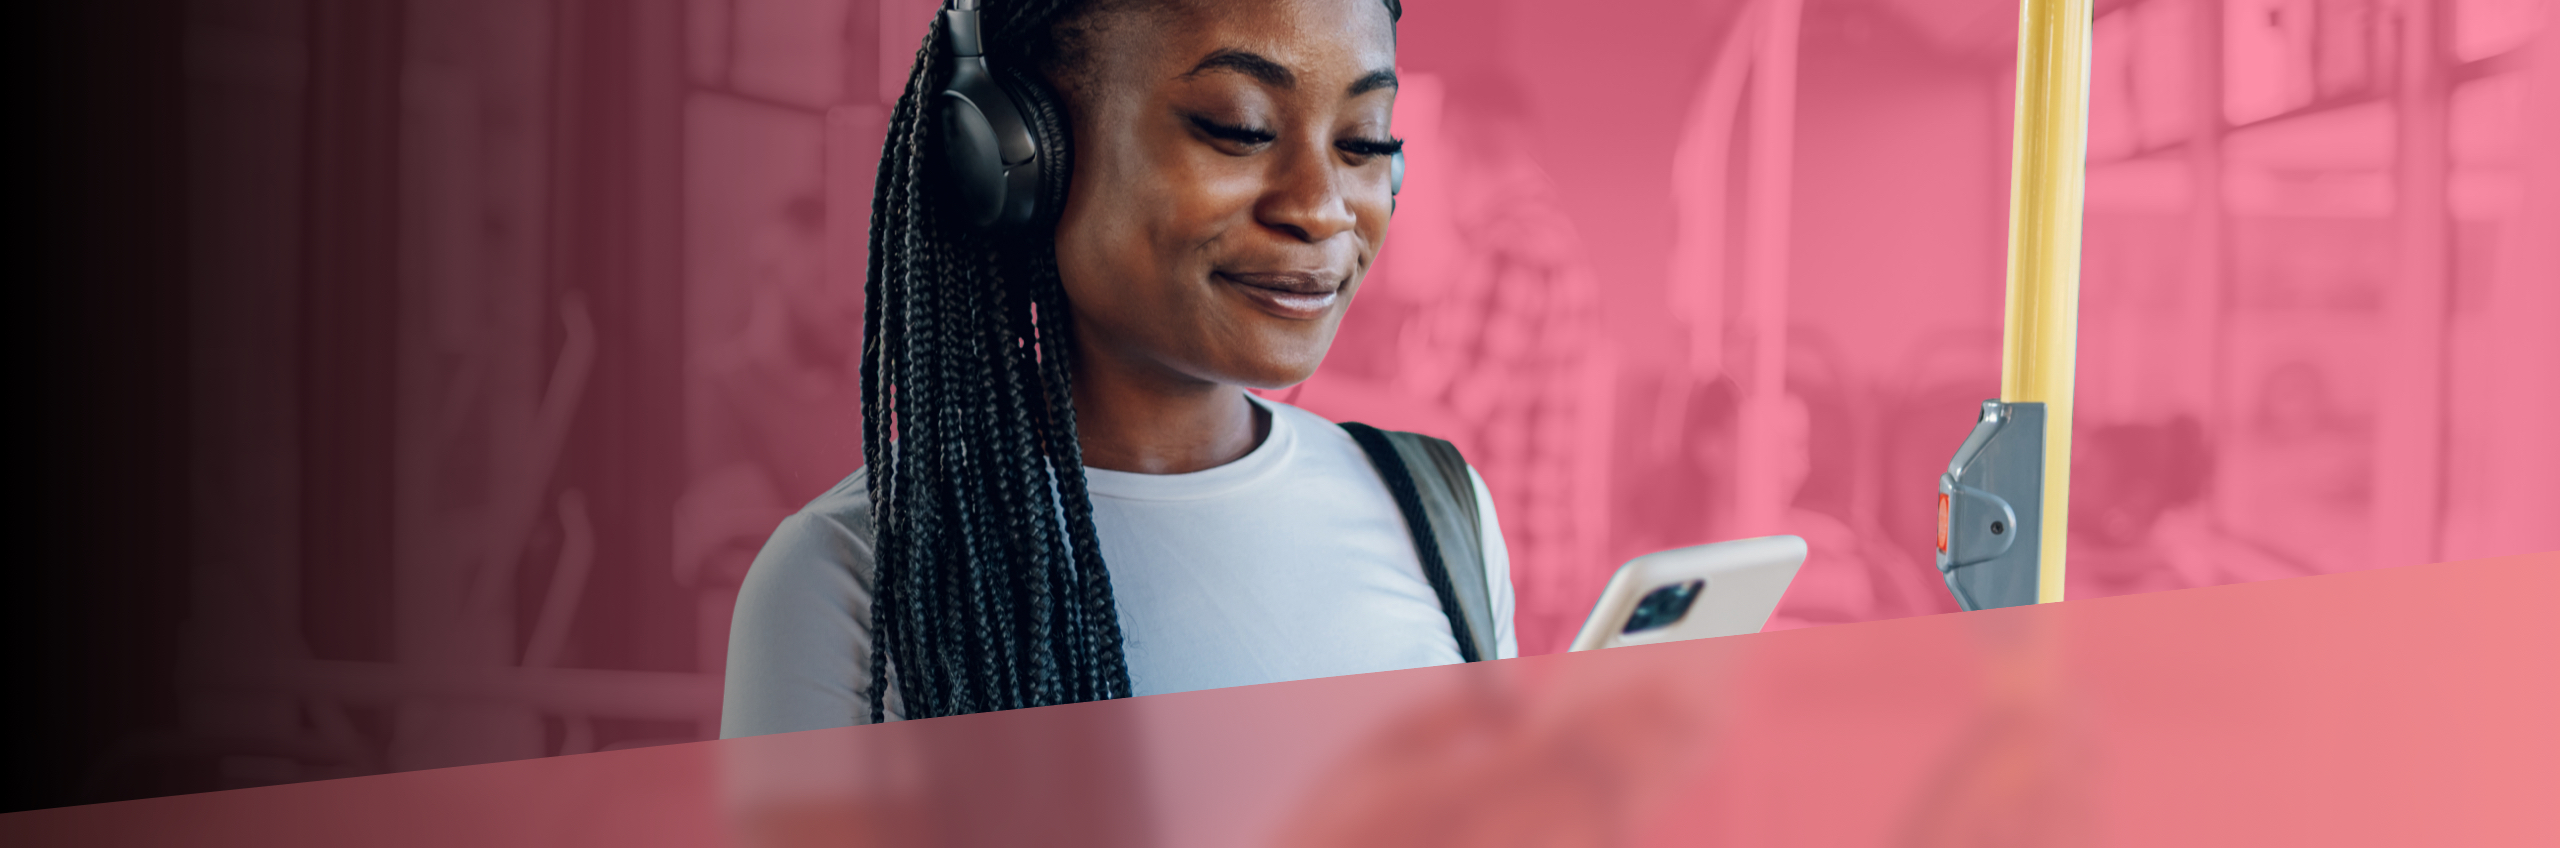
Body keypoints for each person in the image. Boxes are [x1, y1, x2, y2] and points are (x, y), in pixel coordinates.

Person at [720, 0, 1517, 735]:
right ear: (1014, 149)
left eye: (1365, 141)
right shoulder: (848, 583)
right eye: (1237, 127)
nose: (1321, 206)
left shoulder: (1442, 516)